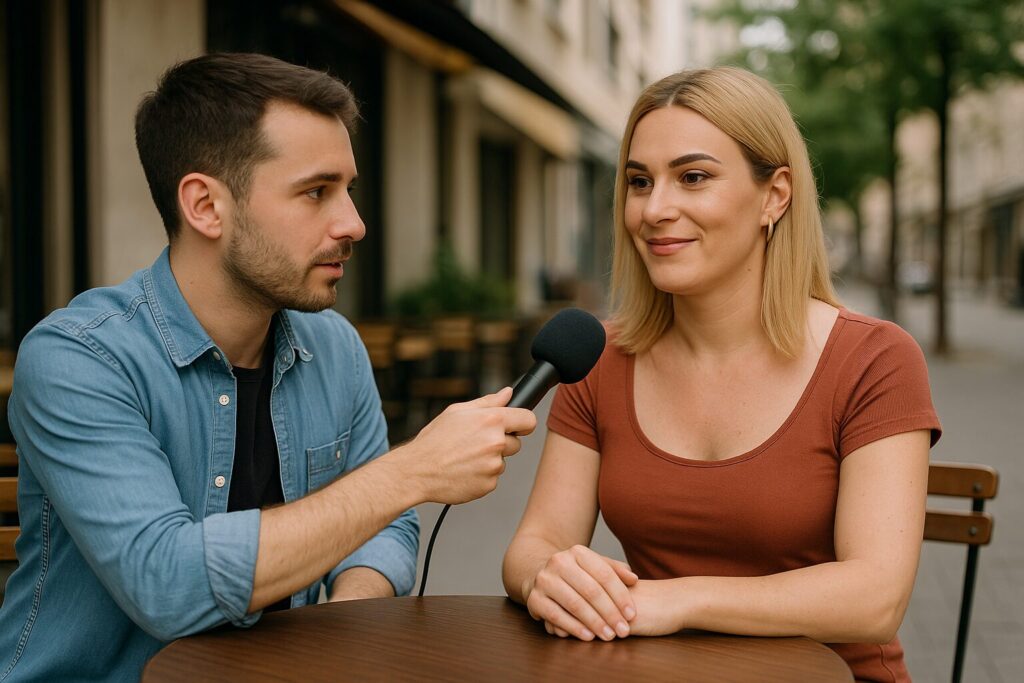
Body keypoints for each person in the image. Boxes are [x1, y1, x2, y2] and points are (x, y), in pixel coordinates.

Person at [0, 53, 535, 681]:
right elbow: (166, 581)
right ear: (205, 206)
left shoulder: (334, 347)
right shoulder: (79, 359)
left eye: (349, 190)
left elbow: (382, 530)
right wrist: (412, 471)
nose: (354, 224)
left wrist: (343, 616)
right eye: (316, 192)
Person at [502, 67, 940, 682]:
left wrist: (677, 598)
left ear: (775, 195)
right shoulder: (599, 356)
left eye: (694, 177)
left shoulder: (874, 359)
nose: (655, 209)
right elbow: (535, 543)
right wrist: (546, 577)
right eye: (638, 182)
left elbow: (874, 599)